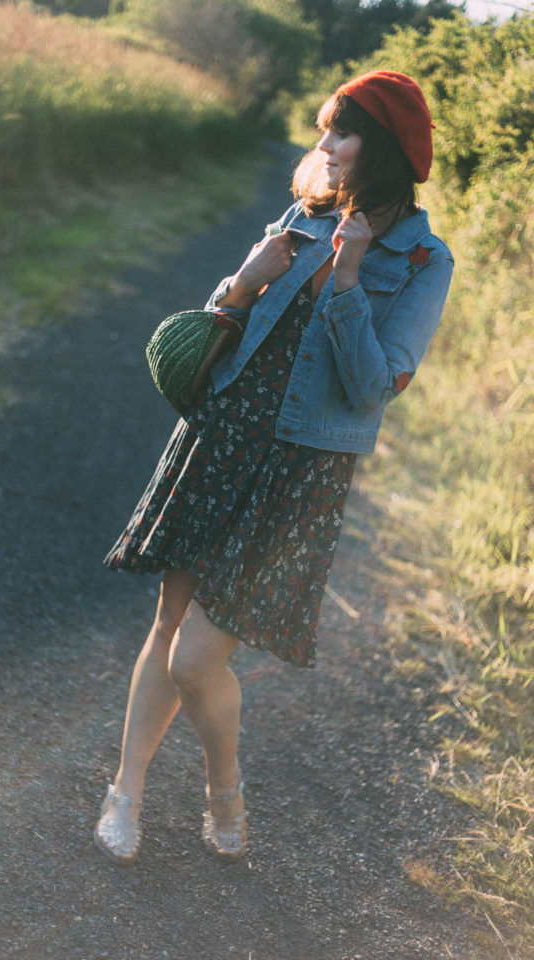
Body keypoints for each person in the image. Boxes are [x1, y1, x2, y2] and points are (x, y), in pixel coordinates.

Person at [94, 70, 453, 865]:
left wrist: (351, 279)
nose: (323, 145)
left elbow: (373, 387)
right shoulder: (303, 215)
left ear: (384, 149)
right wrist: (245, 278)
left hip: (300, 471)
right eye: (325, 129)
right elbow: (229, 313)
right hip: (222, 436)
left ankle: (226, 787)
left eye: (342, 132)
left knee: (199, 658)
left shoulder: (426, 260)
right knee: (166, 626)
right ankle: (126, 793)